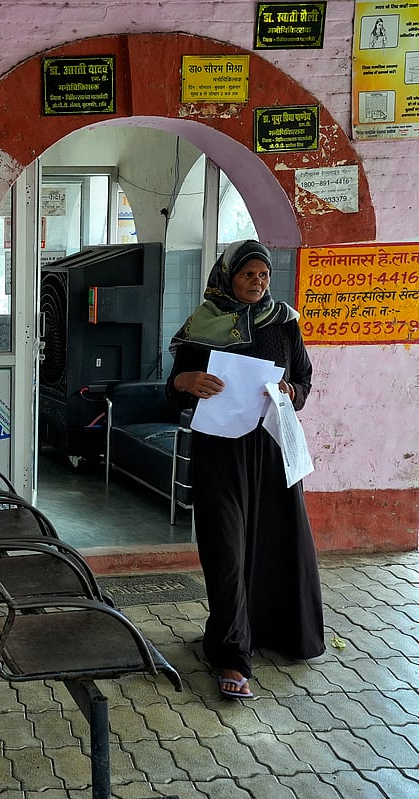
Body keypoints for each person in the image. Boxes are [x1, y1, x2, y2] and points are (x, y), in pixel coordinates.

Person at [165, 239, 324, 700]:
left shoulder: (285, 322)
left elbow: (304, 380)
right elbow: (172, 391)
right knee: (226, 549)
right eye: (248, 275)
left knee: (278, 541)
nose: (257, 283)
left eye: (264, 275)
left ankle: (277, 632)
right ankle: (233, 655)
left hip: (272, 449)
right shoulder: (202, 322)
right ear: (227, 277)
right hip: (219, 452)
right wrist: (183, 381)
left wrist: (292, 392)